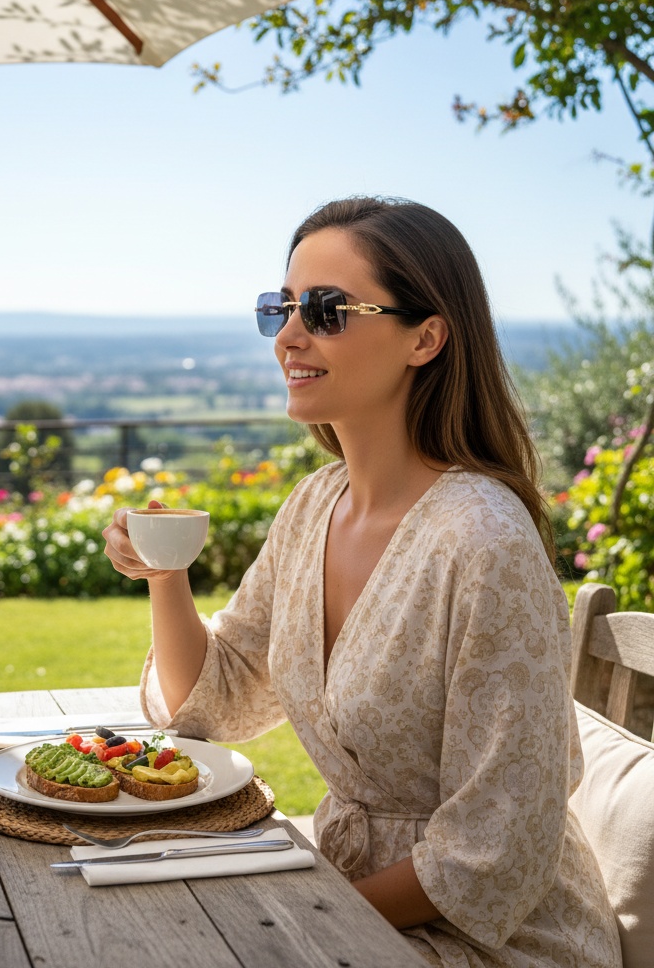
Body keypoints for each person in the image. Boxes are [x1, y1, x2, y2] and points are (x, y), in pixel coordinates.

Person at [102, 197, 621, 968]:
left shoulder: (483, 539)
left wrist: (297, 913)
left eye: (325, 309)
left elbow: (498, 845)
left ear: (426, 337)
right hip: (350, 893)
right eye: (279, 308)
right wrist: (164, 573)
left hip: (494, 937)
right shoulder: (315, 505)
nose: (288, 335)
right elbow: (210, 698)